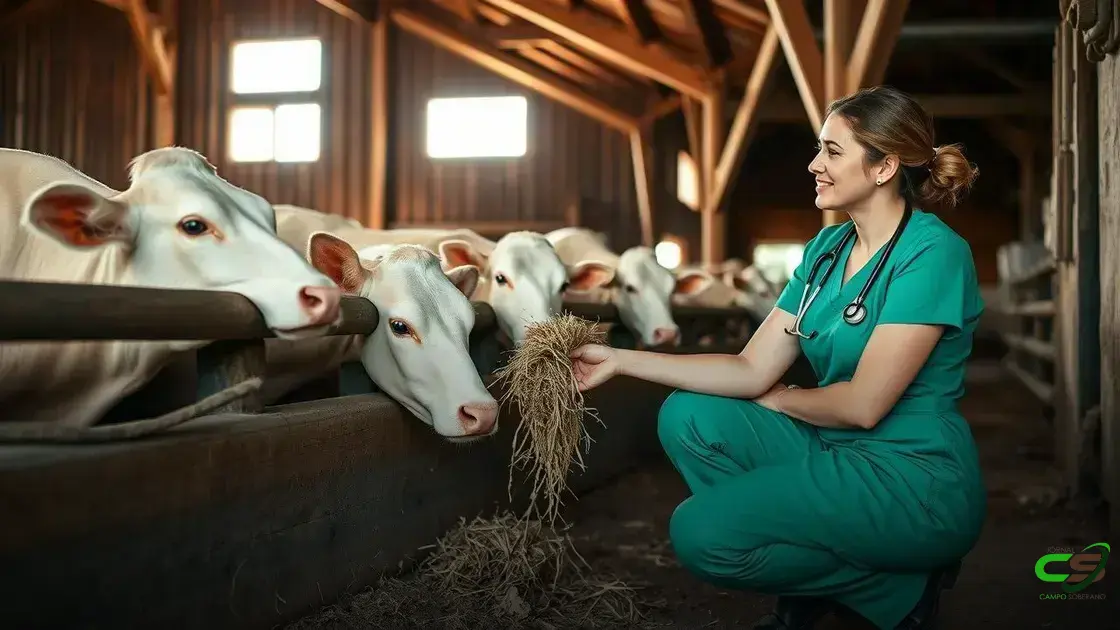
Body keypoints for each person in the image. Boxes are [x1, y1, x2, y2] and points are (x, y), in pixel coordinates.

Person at [568, 85, 986, 630]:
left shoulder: (933, 252)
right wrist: (622, 359)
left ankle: (889, 584)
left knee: (700, 534)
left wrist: (784, 399)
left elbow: (862, 406)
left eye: (832, 151)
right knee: (687, 415)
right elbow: (751, 368)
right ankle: (874, 581)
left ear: (884, 167)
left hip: (910, 478)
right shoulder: (826, 250)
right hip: (834, 450)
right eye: (818, 149)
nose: (814, 165)